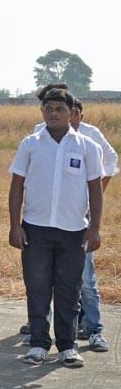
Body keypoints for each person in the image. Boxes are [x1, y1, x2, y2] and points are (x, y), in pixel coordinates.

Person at [9, 88, 103, 367]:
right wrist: (16, 225)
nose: (53, 114)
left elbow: (95, 190)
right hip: (36, 229)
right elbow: (16, 186)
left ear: (72, 112)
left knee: (68, 289)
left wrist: (94, 228)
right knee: (37, 287)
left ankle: (66, 346)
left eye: (60, 109)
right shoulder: (30, 144)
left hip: (73, 231)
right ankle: (38, 343)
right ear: (42, 112)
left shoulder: (87, 146)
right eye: (48, 109)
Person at [69, 99, 116, 351]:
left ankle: (94, 329)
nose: (71, 116)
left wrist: (98, 192)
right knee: (60, 279)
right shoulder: (44, 135)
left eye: (75, 112)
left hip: (83, 217)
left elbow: (111, 160)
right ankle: (66, 326)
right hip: (57, 220)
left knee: (87, 278)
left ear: (80, 115)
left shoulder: (90, 137)